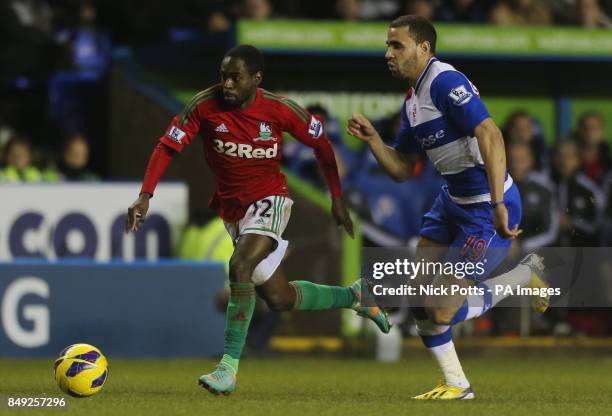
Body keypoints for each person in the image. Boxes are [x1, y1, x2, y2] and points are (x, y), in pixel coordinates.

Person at [125, 45, 390, 396]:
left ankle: (228, 368)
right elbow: (166, 146)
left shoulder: (280, 110)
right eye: (223, 76)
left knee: (240, 265)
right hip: (232, 210)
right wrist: (146, 195)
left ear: (256, 79)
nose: (227, 84)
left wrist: (337, 199)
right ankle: (355, 296)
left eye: (236, 78)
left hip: (271, 199)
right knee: (279, 297)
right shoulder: (204, 105)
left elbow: (322, 145)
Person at [347, 15, 548, 400]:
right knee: (421, 297)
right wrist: (374, 139)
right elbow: (403, 170)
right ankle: (456, 384)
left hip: (485, 210)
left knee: (438, 310)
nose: (388, 54)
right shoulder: (412, 102)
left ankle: (523, 277)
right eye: (387, 46)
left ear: (423, 48)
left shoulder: (443, 81)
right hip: (451, 202)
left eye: (397, 46)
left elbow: (490, 133)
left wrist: (498, 203)